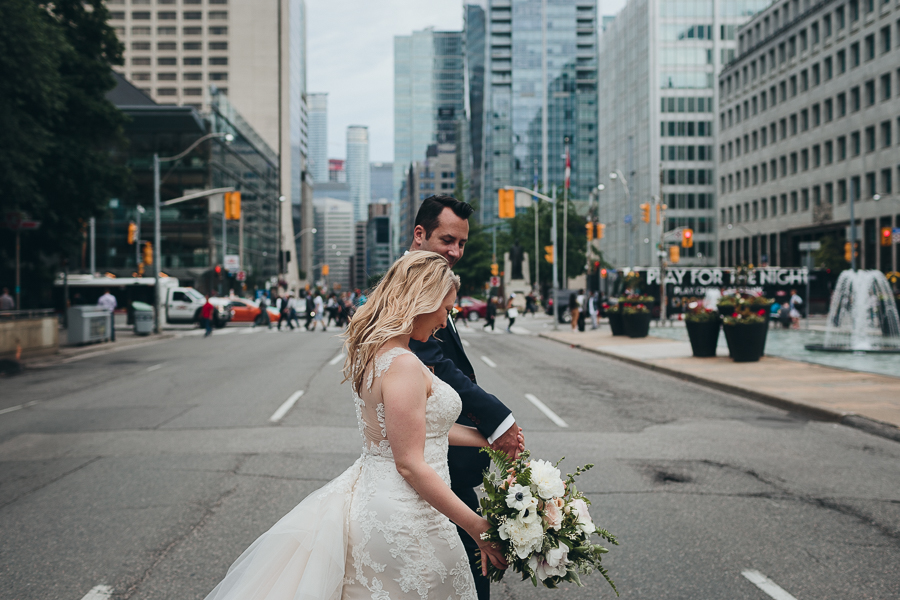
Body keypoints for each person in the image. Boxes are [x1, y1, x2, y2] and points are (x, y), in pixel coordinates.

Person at [203, 252, 506, 600]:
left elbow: (418, 428)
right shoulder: (404, 365)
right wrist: (475, 526)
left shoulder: (382, 353)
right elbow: (409, 463)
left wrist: (487, 441)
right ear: (422, 299)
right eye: (445, 307)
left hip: (385, 500)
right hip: (408, 516)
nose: (445, 318)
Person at [406, 195, 524, 600]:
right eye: (447, 240)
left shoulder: (428, 282)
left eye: (462, 244)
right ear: (419, 235)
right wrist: (498, 422)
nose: (455, 252)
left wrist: (486, 439)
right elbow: (436, 364)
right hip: (430, 481)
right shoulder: (408, 291)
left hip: (444, 466)